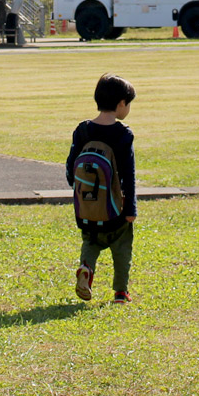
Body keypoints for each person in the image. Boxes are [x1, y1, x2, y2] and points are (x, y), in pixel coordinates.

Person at [66, 73, 137, 304]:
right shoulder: (123, 134)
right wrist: (130, 208)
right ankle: (120, 292)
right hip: (115, 209)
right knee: (121, 248)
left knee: (90, 242)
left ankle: (86, 268)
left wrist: (78, 191)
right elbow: (128, 174)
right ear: (121, 104)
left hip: (87, 207)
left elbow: (71, 166)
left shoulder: (83, 129)